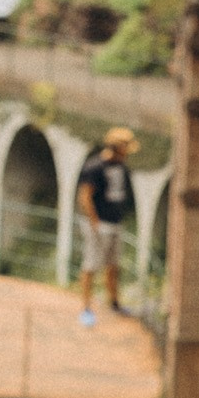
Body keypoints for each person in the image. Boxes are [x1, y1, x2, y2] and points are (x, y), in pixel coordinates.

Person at [77, 124, 137, 324]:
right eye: (125, 149)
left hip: (115, 222)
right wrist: (95, 223)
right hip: (99, 224)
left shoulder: (121, 167)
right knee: (91, 264)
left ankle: (114, 302)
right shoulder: (94, 167)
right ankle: (86, 307)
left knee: (113, 265)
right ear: (116, 148)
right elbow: (85, 197)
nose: (127, 154)